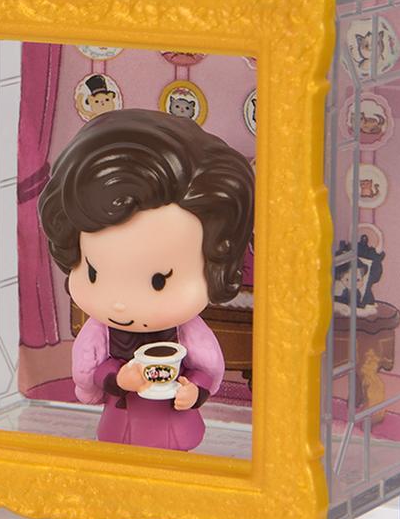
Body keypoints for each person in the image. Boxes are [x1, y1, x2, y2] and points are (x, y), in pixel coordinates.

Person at [39, 109, 254, 451]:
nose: (121, 303)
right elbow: (94, 371)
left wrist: (193, 392)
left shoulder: (189, 335)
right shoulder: (101, 334)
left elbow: (204, 371)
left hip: (176, 426)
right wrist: (118, 378)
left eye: (158, 282)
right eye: (93, 273)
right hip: (120, 424)